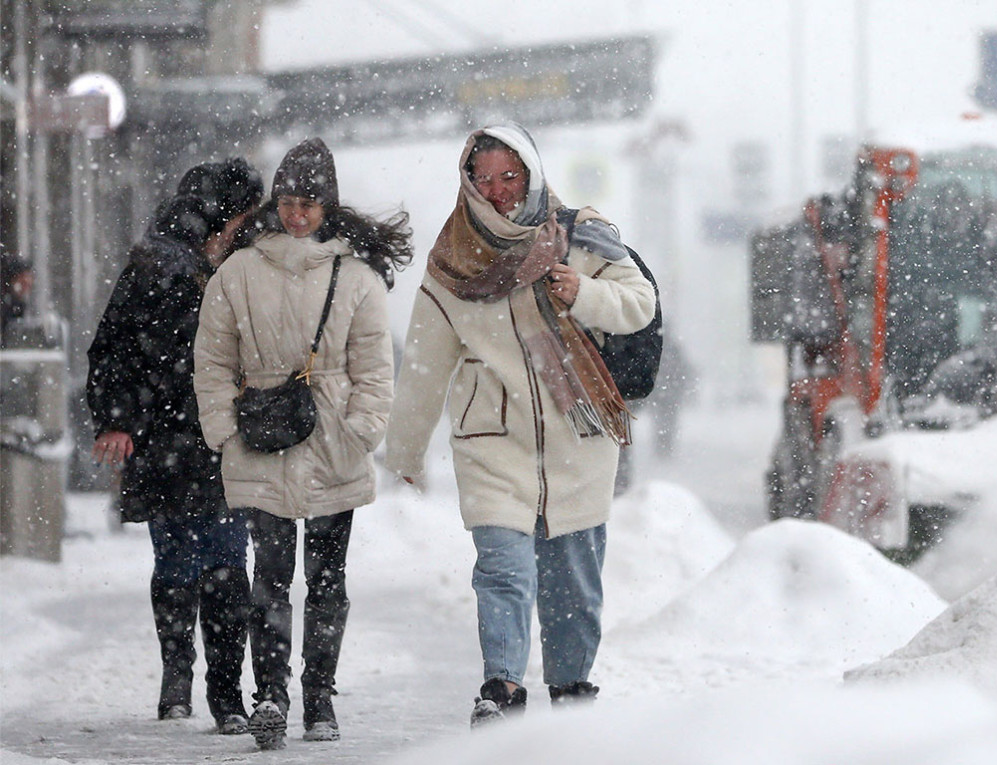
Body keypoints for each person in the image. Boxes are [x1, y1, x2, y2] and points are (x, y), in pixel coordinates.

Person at [384, 122, 656, 727]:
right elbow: (428, 361)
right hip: (492, 437)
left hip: (578, 432)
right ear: (467, 183)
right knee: (502, 570)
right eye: (483, 179)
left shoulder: (582, 235)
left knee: (572, 584)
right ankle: (501, 688)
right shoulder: (452, 258)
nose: (499, 191)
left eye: (510, 176)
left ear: (531, 175)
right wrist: (404, 450)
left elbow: (640, 305)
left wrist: (582, 289)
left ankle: (570, 691)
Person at [193, 138, 411, 749]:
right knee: (270, 577)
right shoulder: (238, 272)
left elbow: (375, 367)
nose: (296, 214)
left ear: (327, 208)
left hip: (333, 445)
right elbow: (211, 358)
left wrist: (362, 429)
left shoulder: (358, 278)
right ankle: (272, 695)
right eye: (287, 201)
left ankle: (318, 698)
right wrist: (224, 431)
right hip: (260, 441)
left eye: (309, 204)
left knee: (327, 581)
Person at [85, 158, 264, 734]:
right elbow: (119, 348)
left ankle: (187, 682)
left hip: (184, 441)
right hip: (190, 439)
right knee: (217, 565)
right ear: (224, 213)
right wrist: (119, 418)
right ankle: (214, 688)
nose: (247, 226)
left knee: (190, 563)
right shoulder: (168, 265)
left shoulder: (180, 260)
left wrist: (120, 418)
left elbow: (111, 347)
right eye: (244, 215)